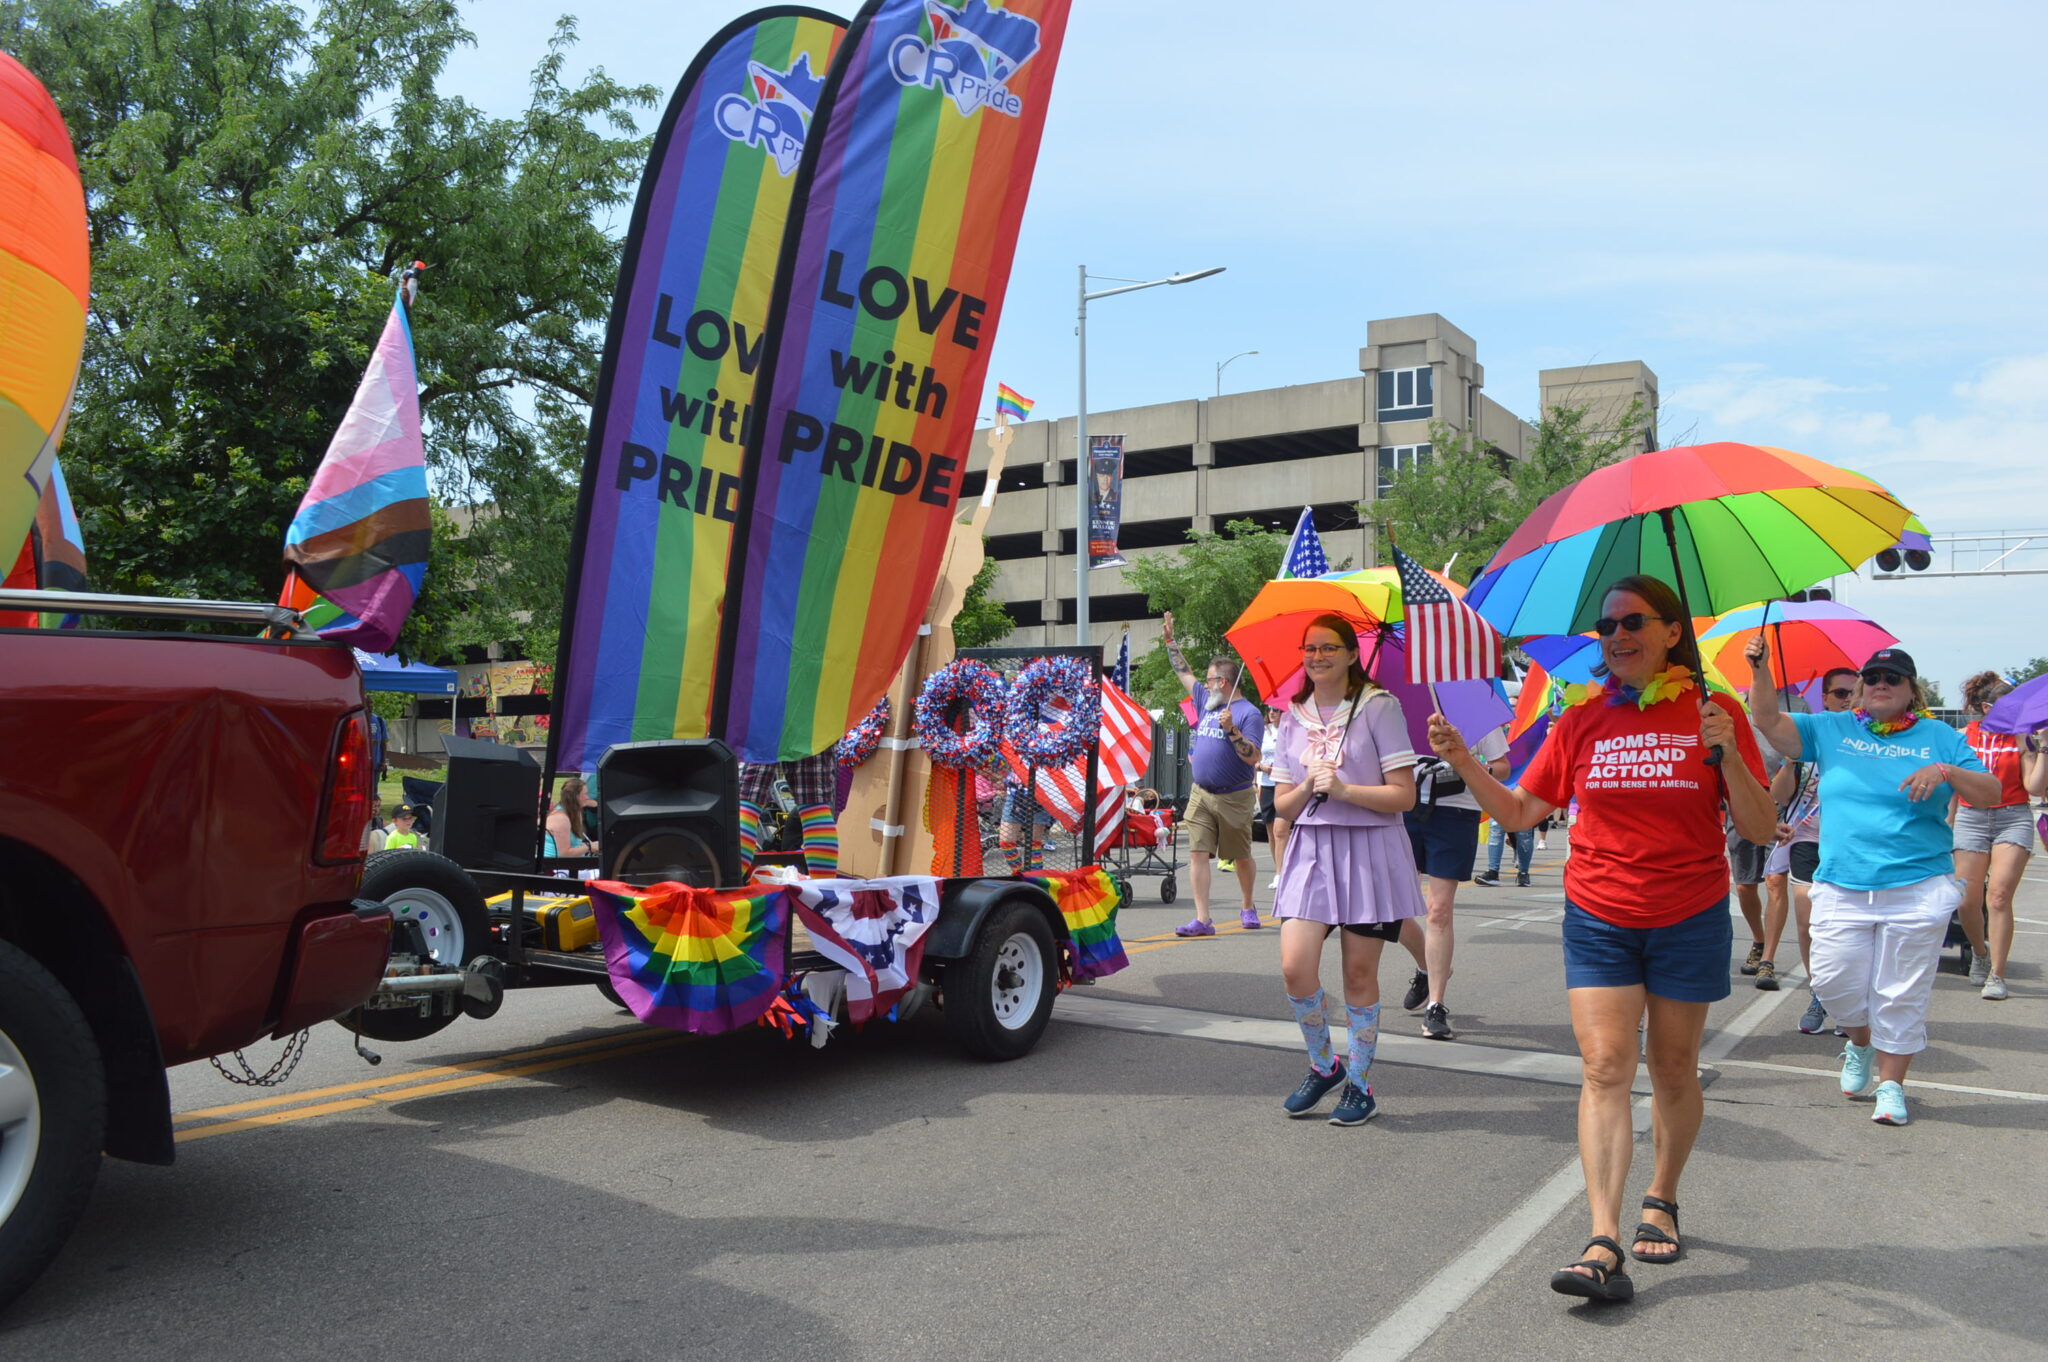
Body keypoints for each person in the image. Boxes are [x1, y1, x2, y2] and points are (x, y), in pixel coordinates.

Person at [1430, 575, 1775, 1303]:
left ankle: (1663, 1195)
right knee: (1605, 1067)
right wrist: (1464, 761)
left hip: (1688, 913)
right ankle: (1602, 1236)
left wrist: (1730, 754)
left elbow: (1760, 829)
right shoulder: (1582, 718)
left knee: (1674, 1069)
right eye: (1606, 625)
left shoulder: (1715, 711)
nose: (1615, 635)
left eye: (1632, 621)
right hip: (1600, 914)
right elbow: (1522, 811)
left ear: (1671, 632)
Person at [1746, 640, 1998, 1126]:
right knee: (1835, 983)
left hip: (1917, 886)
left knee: (1899, 992)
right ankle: (1859, 1044)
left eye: (1893, 679)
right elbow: (1769, 723)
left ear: (1911, 690)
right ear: (1861, 688)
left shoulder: (1938, 737)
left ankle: (1892, 1086)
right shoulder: (1832, 728)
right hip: (1843, 883)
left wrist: (1945, 770)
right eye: (1873, 678)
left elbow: (1991, 793)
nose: (1881, 685)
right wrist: (1760, 671)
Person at [1272, 614, 1423, 1126]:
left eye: (1329, 648)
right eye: (1309, 648)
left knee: (1359, 975)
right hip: (1312, 851)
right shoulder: (1291, 714)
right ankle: (1324, 1064)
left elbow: (1405, 795)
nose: (1317, 657)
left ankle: (1360, 1085)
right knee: (1296, 968)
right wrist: (1307, 788)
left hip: (1369, 852)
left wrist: (1344, 790)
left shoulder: (1379, 708)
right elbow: (1282, 807)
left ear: (1352, 654)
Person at [1761, 667, 1858, 1030]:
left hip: (1851, 845)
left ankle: (1849, 999)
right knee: (1808, 923)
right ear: (1826, 698)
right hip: (1808, 838)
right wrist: (1793, 760)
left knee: (1849, 927)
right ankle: (1820, 993)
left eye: (1852, 692)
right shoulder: (1809, 736)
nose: (1847, 699)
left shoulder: (1867, 738)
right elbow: (1779, 795)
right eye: (1839, 693)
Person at [1399, 723, 1510, 1039]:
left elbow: (1502, 767)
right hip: (1405, 807)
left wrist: (1465, 764)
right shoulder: (1399, 703)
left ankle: (1435, 1004)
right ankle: (1428, 966)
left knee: (1439, 910)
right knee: (1391, 906)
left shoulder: (1473, 707)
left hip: (1456, 814)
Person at [1163, 612, 1264, 935]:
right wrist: (1170, 641)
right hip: (1201, 793)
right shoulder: (1207, 700)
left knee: (1240, 856)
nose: (1203, 684)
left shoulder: (1249, 714)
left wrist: (1233, 730)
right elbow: (1183, 672)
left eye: (1209, 680)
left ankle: (1247, 904)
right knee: (1198, 852)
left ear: (1222, 682)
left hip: (1235, 796)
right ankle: (1203, 918)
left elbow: (1254, 757)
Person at [1953, 671, 2044, 1000]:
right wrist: (1945, 825)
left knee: (2000, 897)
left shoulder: (2023, 738)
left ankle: (1997, 974)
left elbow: (2035, 788)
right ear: (1987, 706)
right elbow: (1952, 786)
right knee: (1966, 900)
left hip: (2013, 817)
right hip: (1971, 816)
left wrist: (2042, 748)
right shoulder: (1964, 737)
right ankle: (1979, 952)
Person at [738, 753, 838, 878]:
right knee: (814, 807)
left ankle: (725, 890)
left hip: (763, 735)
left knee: (749, 803)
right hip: (811, 736)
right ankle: (823, 892)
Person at [1257, 706, 1291, 893]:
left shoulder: (1289, 730)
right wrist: (1261, 767)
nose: (1272, 713)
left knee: (1280, 830)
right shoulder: (1264, 732)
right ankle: (1279, 868)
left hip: (1285, 783)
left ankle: (1281, 874)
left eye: (1277, 710)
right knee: (1271, 832)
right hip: (1267, 784)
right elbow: (1255, 759)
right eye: (1270, 710)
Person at [1474, 815, 1533, 887]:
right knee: (1496, 831)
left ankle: (1523, 873)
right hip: (1500, 805)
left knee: (1524, 835)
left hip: (1525, 806)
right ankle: (1493, 872)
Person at [547, 777, 597, 858]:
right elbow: (564, 854)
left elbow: (576, 844)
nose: (588, 797)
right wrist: (589, 847)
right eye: (585, 794)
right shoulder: (560, 819)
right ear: (575, 797)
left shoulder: (576, 812)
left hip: (573, 864)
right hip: (556, 867)